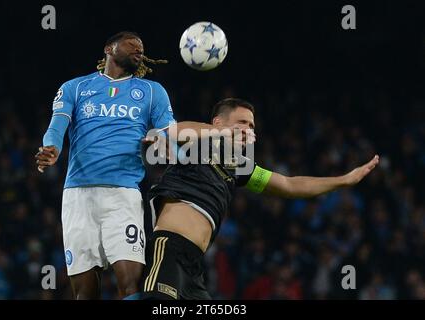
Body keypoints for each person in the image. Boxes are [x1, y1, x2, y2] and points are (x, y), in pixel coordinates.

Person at [140, 97, 380, 299]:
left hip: (195, 267)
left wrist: (343, 180)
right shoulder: (196, 142)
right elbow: (171, 131)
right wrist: (218, 131)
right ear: (218, 122)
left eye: (252, 126)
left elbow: (289, 184)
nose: (249, 129)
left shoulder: (239, 166)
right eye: (242, 122)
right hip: (169, 247)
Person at [35, 31, 178, 300]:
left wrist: (165, 146)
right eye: (132, 44)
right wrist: (52, 148)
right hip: (78, 197)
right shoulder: (74, 87)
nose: (140, 49)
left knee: (130, 282)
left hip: (123, 196)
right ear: (109, 48)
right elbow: (57, 126)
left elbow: (169, 136)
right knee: (85, 292)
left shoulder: (152, 92)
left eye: (142, 47)